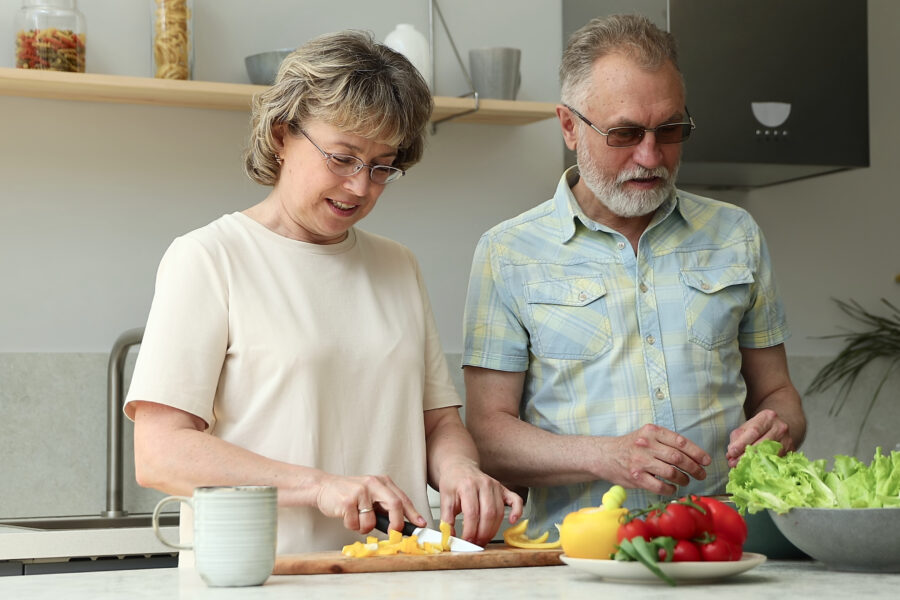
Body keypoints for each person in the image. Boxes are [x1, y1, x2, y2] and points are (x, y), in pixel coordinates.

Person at [125, 30, 522, 559]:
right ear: (282, 134)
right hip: (262, 580)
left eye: (383, 167)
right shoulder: (209, 258)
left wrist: (460, 469)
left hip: (395, 579)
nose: (361, 187)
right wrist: (320, 486)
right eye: (343, 157)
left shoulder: (397, 266)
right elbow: (161, 453)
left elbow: (439, 422)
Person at [461, 14, 806, 537]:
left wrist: (779, 426)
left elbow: (779, 394)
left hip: (724, 547)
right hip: (575, 560)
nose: (650, 156)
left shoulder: (736, 235)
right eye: (625, 133)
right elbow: (487, 436)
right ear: (570, 126)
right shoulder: (507, 252)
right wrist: (606, 457)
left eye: (669, 130)